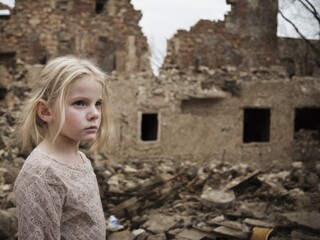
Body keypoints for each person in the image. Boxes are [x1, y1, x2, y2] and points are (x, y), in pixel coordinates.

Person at [14, 55, 116, 239]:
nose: (94, 114)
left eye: (98, 103)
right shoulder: (41, 174)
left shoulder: (81, 159)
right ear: (46, 111)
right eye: (80, 103)